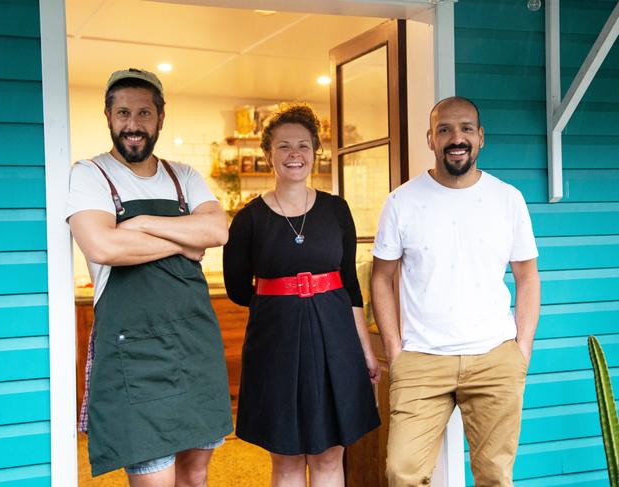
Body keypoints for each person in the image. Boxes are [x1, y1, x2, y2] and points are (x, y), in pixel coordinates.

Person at [67, 68, 233, 486]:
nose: (133, 124)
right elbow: (103, 247)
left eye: (144, 113)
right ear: (108, 116)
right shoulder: (90, 175)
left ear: (161, 117)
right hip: (135, 356)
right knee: (154, 477)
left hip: (194, 347)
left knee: (195, 474)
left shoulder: (185, 176)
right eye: (123, 113)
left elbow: (216, 231)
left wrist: (138, 224)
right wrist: (184, 240)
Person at [371, 96, 541, 486]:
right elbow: (381, 278)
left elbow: (527, 276)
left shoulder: (508, 199)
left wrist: (522, 347)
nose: (456, 137)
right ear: (430, 139)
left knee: (495, 475)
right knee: (402, 472)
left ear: (480, 137)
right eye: (444, 129)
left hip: (495, 358)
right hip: (421, 360)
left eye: (466, 128)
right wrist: (396, 351)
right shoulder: (401, 202)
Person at [223, 104, 381, 487]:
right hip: (276, 341)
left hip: (336, 336)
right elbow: (237, 289)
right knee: (288, 458)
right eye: (283, 146)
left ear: (315, 153)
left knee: (330, 455)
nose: (294, 154)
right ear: (268, 155)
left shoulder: (336, 210)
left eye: (304, 146)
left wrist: (365, 347)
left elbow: (349, 282)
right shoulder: (248, 219)